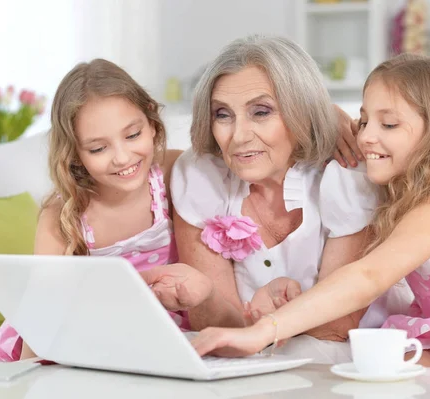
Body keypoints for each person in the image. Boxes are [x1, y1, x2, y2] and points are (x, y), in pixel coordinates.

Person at [191, 53, 430, 368]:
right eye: (364, 120)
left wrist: (261, 333)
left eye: (388, 125)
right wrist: (329, 118)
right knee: (386, 367)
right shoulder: (402, 183)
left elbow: (366, 277)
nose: (367, 137)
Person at [144, 35, 412, 363]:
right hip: (251, 363)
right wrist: (206, 299)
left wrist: (262, 325)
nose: (239, 136)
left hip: (351, 363)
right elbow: (214, 329)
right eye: (223, 115)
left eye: (261, 112)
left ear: (300, 111)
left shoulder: (346, 176)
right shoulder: (201, 177)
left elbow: (334, 329)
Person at [0, 59, 212, 361]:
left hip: (168, 327)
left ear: (152, 125)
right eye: (98, 149)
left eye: (132, 135)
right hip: (93, 331)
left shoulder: (173, 172)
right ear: (74, 154)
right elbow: (43, 308)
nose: (122, 157)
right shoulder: (63, 215)